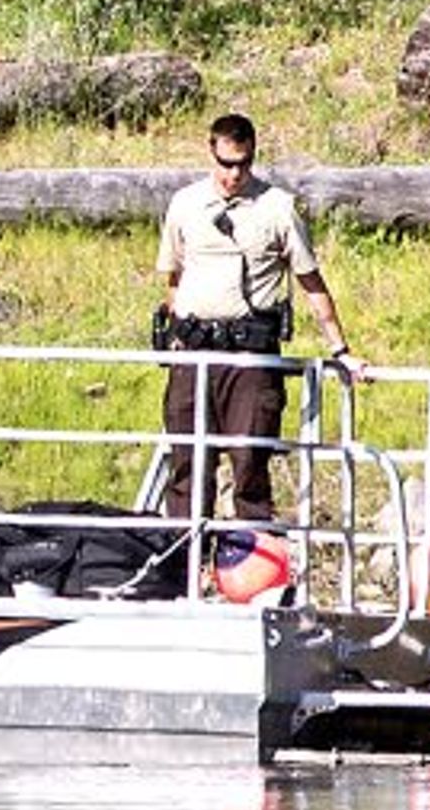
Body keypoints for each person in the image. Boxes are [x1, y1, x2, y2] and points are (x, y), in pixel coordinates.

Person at [152, 112, 358, 528]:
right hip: (194, 351)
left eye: (243, 164)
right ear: (211, 153)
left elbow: (310, 281)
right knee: (188, 465)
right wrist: (175, 333)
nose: (234, 174)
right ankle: (183, 566)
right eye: (226, 163)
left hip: (250, 354)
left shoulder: (277, 208)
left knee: (250, 463)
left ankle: (253, 569)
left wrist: (341, 350)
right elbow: (173, 276)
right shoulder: (186, 205)